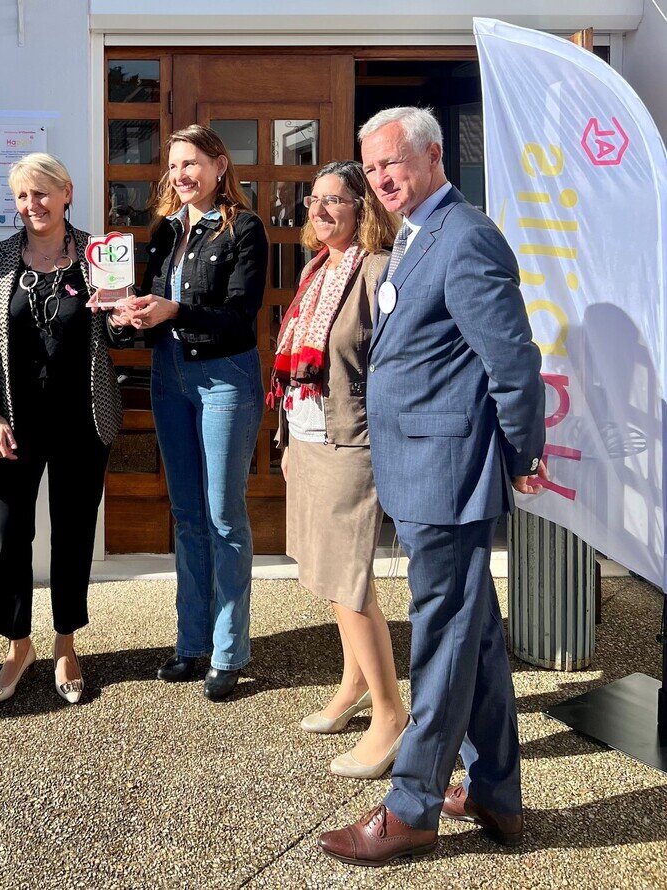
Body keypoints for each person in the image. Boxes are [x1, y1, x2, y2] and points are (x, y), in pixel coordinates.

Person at [317, 107, 547, 865]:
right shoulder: (415, 234)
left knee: (443, 639)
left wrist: (522, 452)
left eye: (394, 163)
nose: (381, 178)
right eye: (372, 167)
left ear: (434, 156)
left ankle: (412, 806)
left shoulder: (467, 235)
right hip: (418, 467)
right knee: (472, 634)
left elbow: (511, 361)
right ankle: (496, 792)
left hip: (448, 472)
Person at [0, 152, 124, 708]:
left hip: (83, 418)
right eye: (22, 196)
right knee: (10, 537)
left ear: (66, 192)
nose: (32, 205)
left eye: (41, 193)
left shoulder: (100, 256)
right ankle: (17, 646)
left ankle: (65, 642)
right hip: (13, 422)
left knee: (74, 533)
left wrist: (120, 313)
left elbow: (122, 341)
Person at [269, 160, 409, 778]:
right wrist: (285, 438)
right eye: (314, 202)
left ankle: (390, 715)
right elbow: (291, 362)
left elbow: (393, 362)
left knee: (349, 581)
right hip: (308, 437)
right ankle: (352, 684)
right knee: (332, 576)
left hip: (352, 442)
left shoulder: (378, 269)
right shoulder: (314, 269)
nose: (320, 212)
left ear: (362, 210)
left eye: (335, 202)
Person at [121, 124, 268, 702]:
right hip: (168, 376)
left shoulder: (244, 229)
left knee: (223, 515)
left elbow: (240, 315)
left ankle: (229, 650)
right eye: (175, 166)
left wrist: (174, 309)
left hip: (223, 378)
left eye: (193, 164)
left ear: (220, 166)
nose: (183, 175)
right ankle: (191, 642)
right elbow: (150, 302)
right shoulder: (163, 231)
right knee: (185, 514)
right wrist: (126, 316)